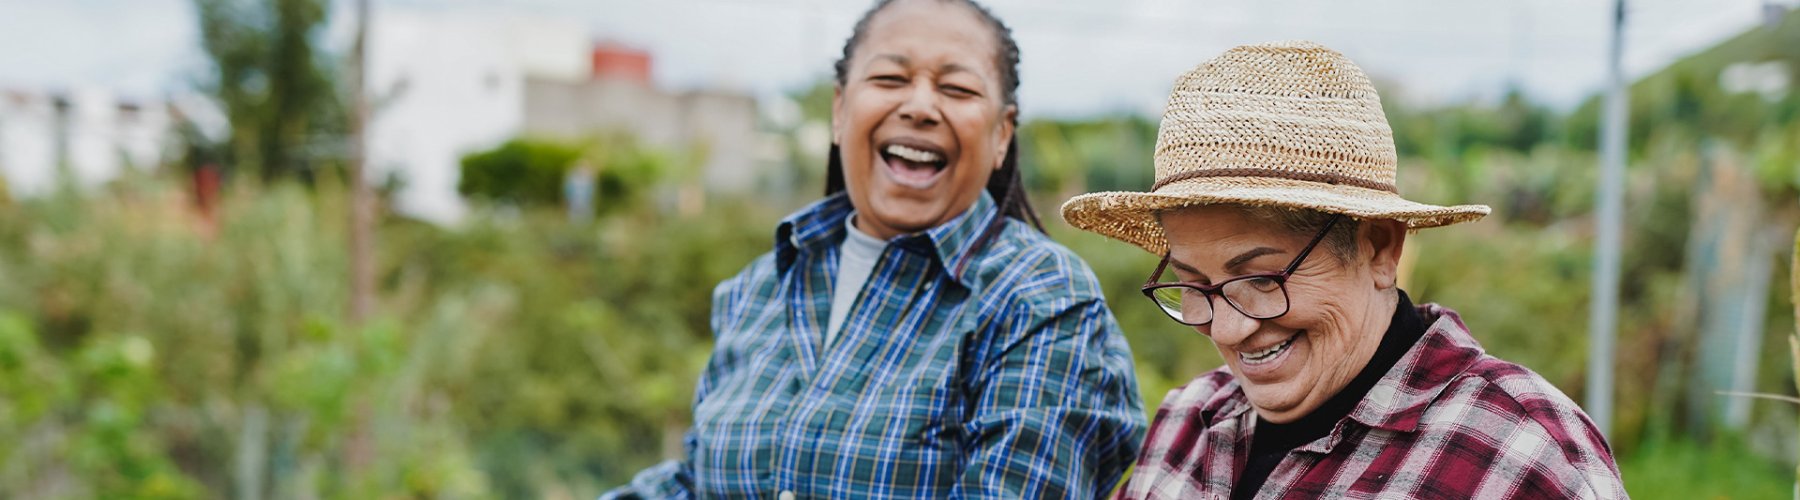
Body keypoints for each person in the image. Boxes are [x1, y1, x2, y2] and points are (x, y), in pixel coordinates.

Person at [602, 0, 1145, 497]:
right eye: (889, 77)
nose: (920, 105)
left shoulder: (1042, 298)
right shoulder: (758, 287)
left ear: (1002, 134)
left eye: (956, 89)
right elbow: (697, 482)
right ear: (840, 110)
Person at [1061, 40, 1627, 499]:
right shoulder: (1187, 422)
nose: (1228, 331)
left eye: (1263, 279)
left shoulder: (1518, 455)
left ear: (1380, 248)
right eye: (1195, 284)